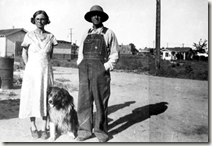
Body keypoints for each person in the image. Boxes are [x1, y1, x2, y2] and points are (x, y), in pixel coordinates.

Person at [76, 5, 120, 142]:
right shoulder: (86, 33)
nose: (96, 17)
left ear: (102, 17)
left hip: (100, 72)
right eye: (93, 15)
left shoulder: (109, 33)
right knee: (84, 102)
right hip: (85, 71)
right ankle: (84, 132)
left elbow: (114, 54)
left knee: (101, 102)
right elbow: (80, 52)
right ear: (90, 17)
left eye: (98, 15)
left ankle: (101, 133)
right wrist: (80, 64)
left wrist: (105, 67)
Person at [19, 10, 58, 139]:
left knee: (47, 98)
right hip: (32, 72)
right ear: (34, 20)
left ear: (46, 20)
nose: (40, 21)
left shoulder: (51, 37)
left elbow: (50, 55)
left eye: (42, 19)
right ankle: (33, 126)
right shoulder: (28, 36)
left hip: (46, 71)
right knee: (32, 97)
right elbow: (24, 53)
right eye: (37, 19)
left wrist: (45, 66)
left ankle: (44, 126)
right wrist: (28, 66)